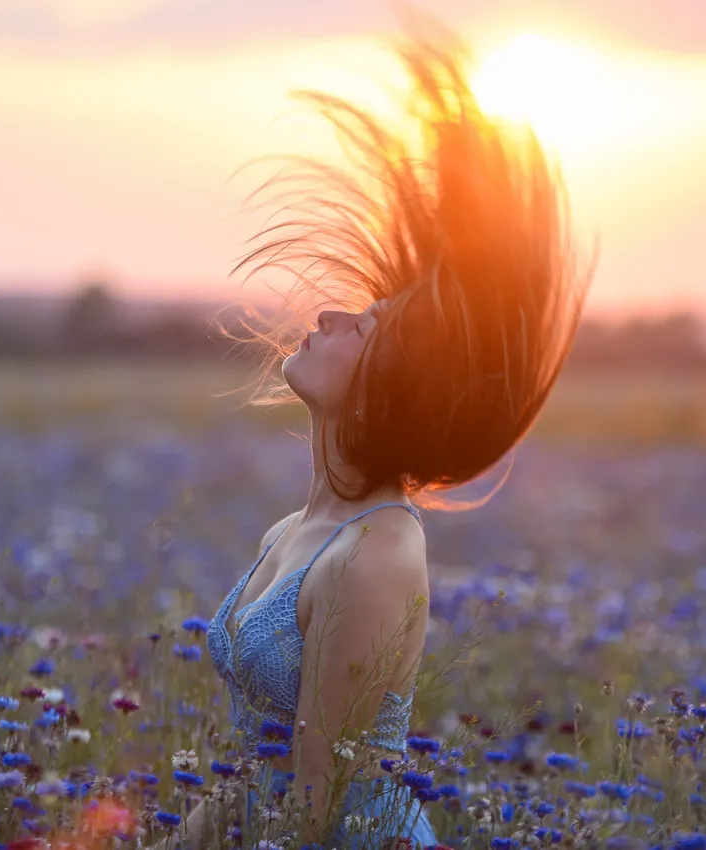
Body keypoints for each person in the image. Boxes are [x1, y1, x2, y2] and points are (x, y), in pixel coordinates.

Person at [177, 14, 593, 850]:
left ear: (387, 393)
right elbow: (263, 781)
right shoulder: (291, 533)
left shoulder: (378, 553)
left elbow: (314, 807)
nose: (327, 313)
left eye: (361, 330)